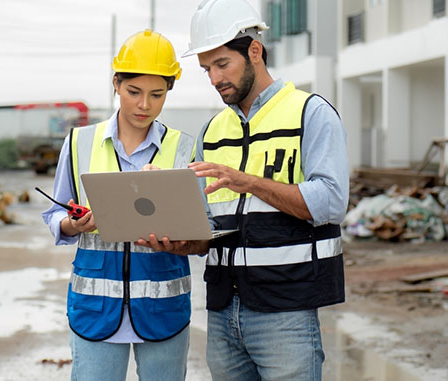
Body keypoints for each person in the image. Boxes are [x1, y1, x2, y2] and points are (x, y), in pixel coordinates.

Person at [137, 0, 349, 379]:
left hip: (287, 310)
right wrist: (182, 242)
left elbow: (331, 204)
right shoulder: (212, 131)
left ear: (254, 51)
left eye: (222, 65)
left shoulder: (310, 113)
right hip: (222, 310)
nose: (216, 78)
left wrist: (246, 181)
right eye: (207, 70)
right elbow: (208, 227)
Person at [41, 29, 195, 381]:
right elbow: (56, 214)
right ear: (116, 83)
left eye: (157, 94)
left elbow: (199, 230)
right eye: (134, 92)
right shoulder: (79, 142)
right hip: (97, 310)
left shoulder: (183, 149)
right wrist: (72, 225)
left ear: (169, 90)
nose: (144, 105)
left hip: (162, 309)